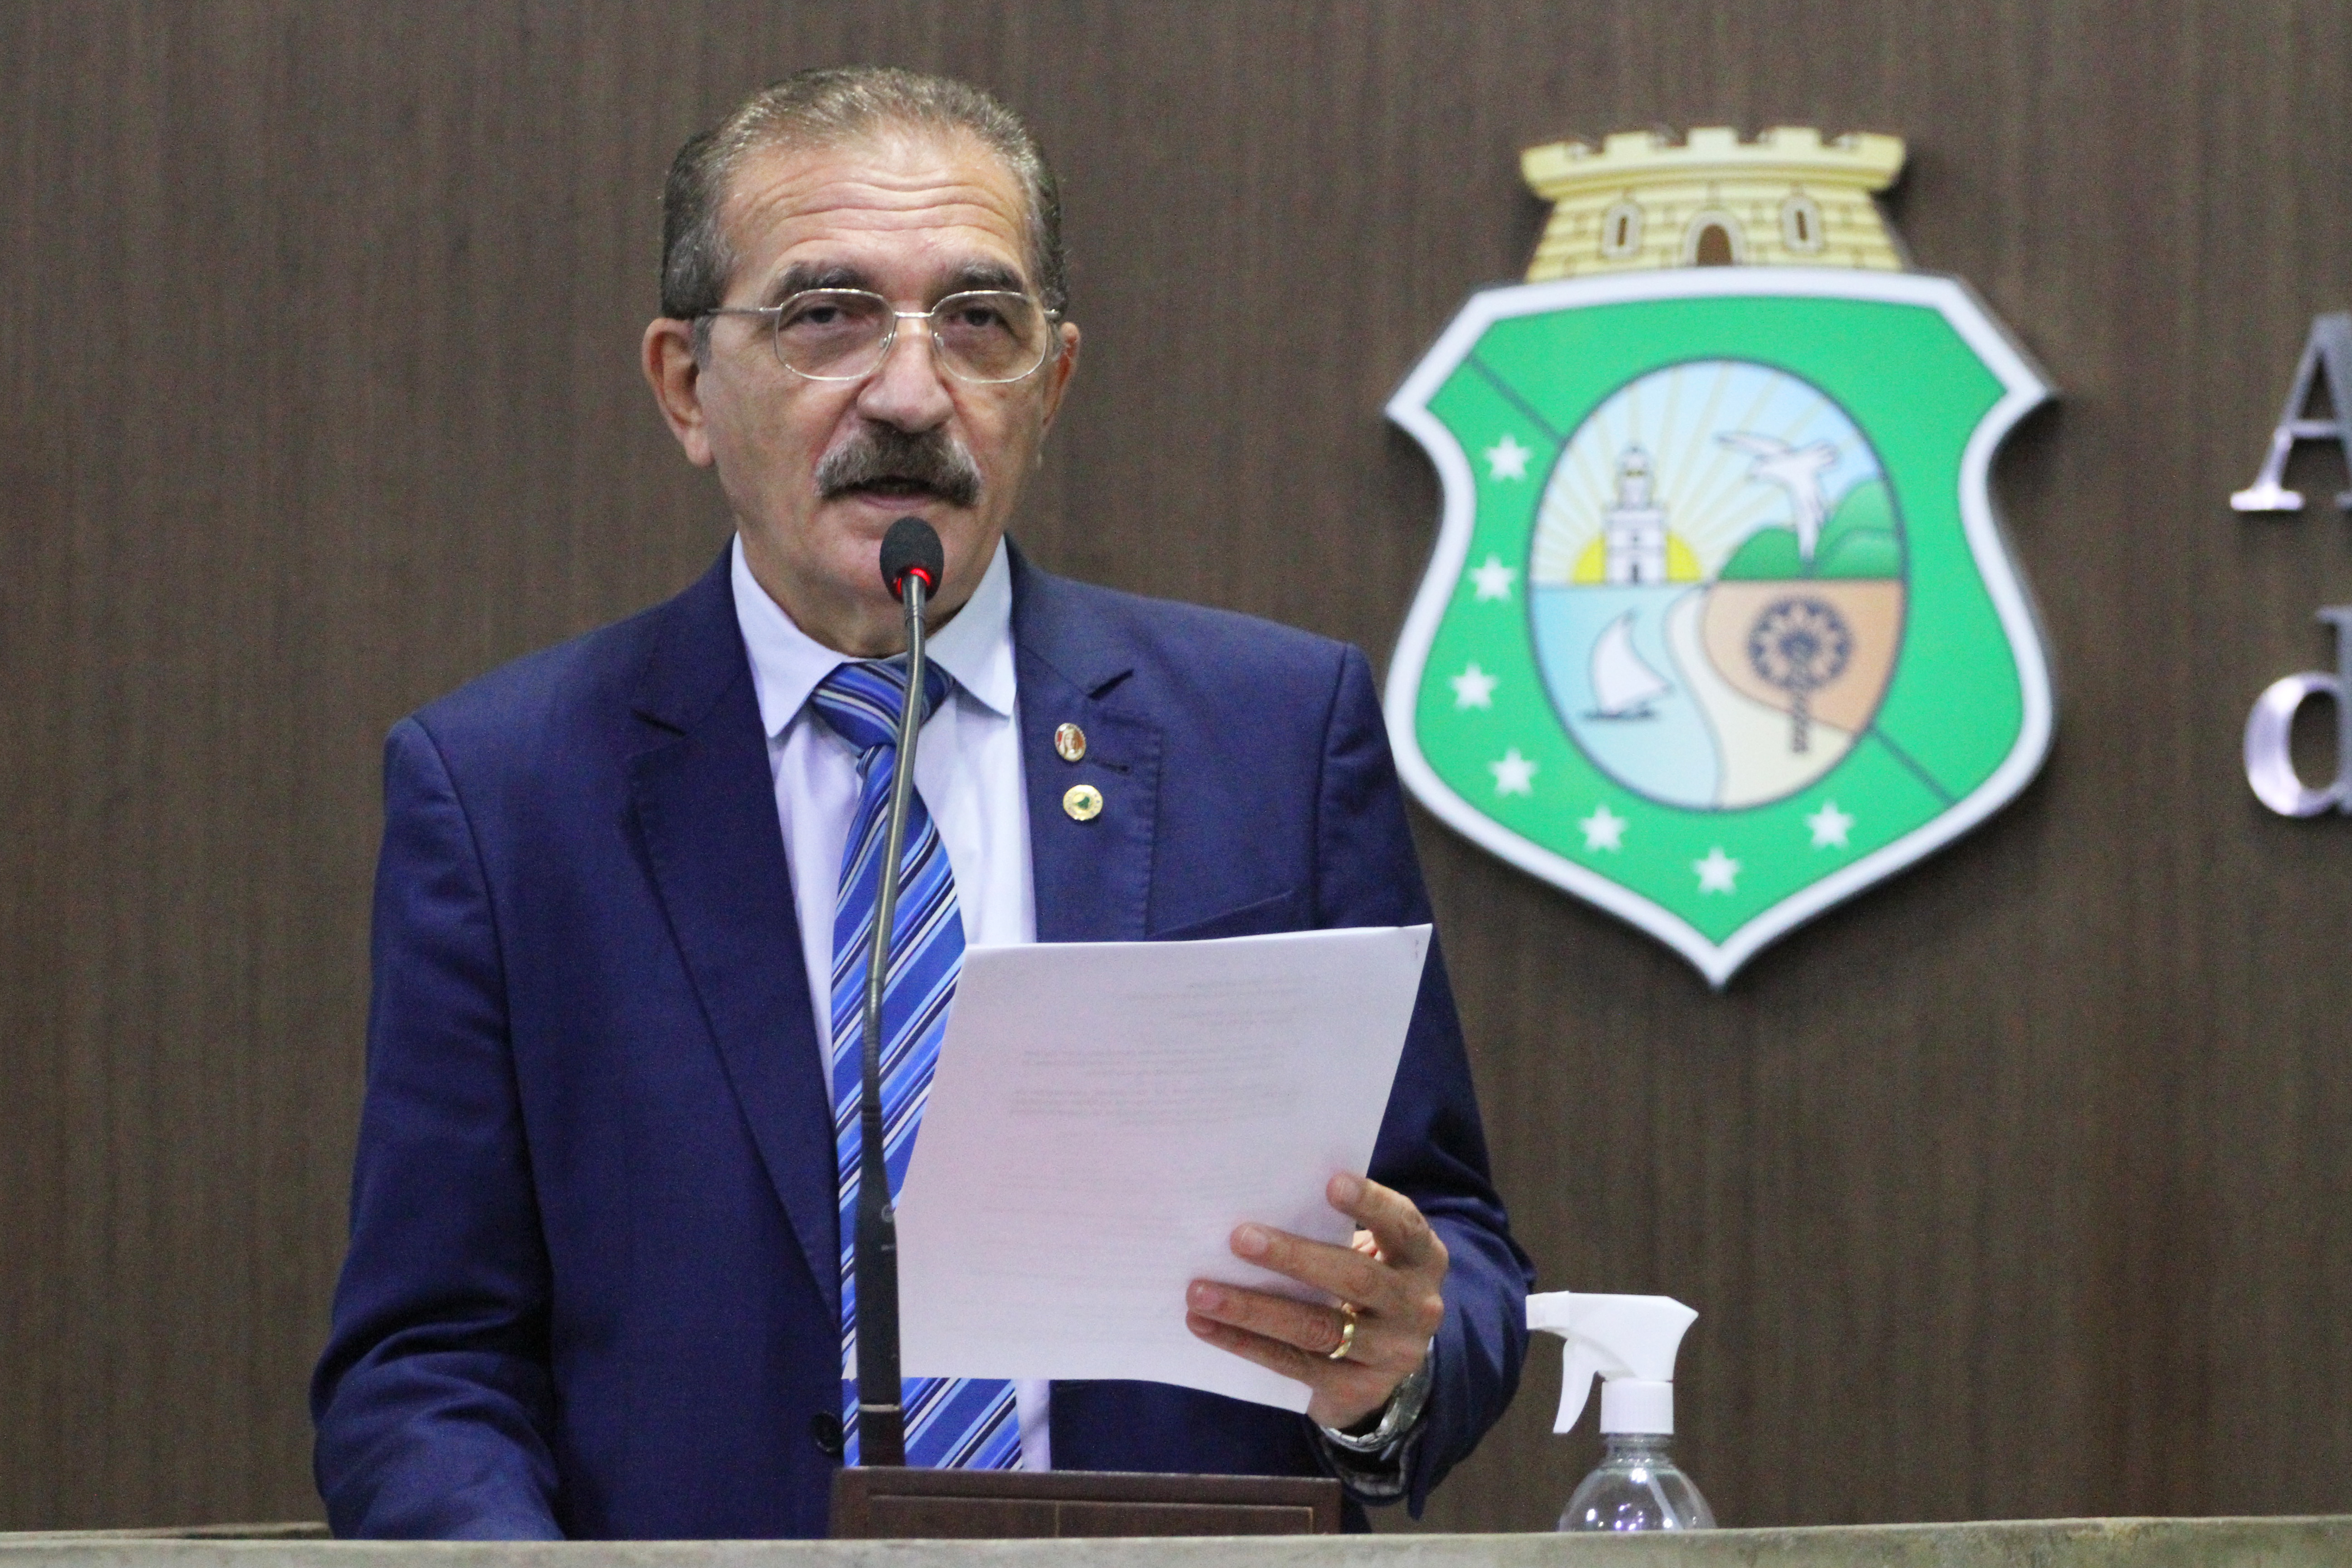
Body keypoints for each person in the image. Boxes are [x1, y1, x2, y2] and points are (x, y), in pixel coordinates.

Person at [311, 66, 1530, 1539]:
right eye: (827, 316)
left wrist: (1397, 1368)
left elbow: (1449, 1249)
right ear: (688, 386)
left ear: (1050, 386)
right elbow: (428, 1365)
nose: (908, 393)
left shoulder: (1272, 734)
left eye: (978, 322)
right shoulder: (508, 791)